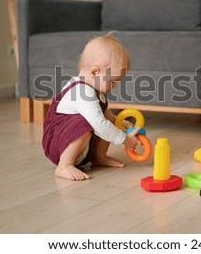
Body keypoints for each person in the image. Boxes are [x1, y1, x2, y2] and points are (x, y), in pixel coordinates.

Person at [42, 33, 140, 181]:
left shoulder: (94, 88)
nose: (114, 87)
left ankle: (99, 157)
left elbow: (103, 115)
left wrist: (119, 122)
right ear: (94, 72)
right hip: (58, 146)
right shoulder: (82, 92)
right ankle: (64, 165)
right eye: (113, 81)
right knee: (92, 122)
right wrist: (125, 139)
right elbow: (98, 124)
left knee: (106, 116)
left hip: (81, 148)